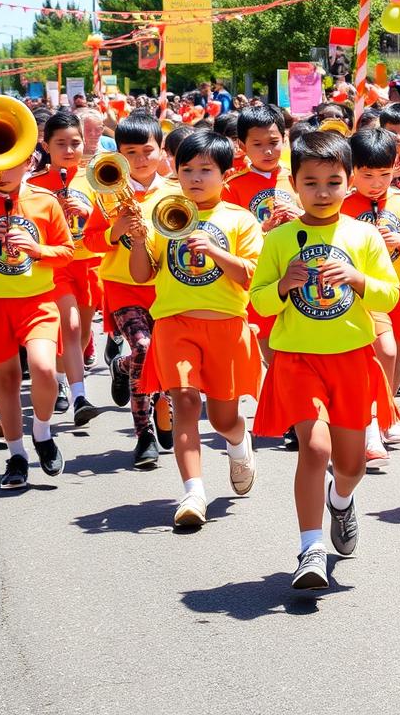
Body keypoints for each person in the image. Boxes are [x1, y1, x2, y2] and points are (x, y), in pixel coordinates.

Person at [250, 131, 399, 591]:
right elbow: (257, 303)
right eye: (310, 182)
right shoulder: (277, 241)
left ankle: (341, 499)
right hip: (298, 360)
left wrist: (357, 279)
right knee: (315, 449)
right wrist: (281, 286)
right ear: (293, 183)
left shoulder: (364, 234)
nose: (322, 191)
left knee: (351, 465)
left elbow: (389, 295)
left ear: (349, 182)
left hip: (351, 359)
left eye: (333, 181)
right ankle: (310, 547)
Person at [130, 130, 262, 527]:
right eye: (187, 169)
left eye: (206, 170)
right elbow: (141, 275)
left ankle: (239, 445)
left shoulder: (239, 219)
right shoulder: (161, 210)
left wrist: (215, 250)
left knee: (223, 420)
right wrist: (138, 240)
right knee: (183, 402)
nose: (196, 178)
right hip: (174, 324)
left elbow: (250, 277)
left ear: (226, 173)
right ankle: (193, 493)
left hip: (225, 326)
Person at [0, 114, 74, 489]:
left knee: (41, 368)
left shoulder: (46, 201)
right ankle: (17, 455)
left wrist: (38, 250)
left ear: (29, 160)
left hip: (37, 301)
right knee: (5, 381)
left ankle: (42, 431)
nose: (2, 172)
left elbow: (68, 251)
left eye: (12, 163)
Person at [83, 112, 173, 469]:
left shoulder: (176, 191)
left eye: (148, 150)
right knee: (144, 347)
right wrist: (115, 229)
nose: (140, 159)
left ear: (162, 149)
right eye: (130, 152)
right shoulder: (105, 191)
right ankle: (143, 434)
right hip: (123, 287)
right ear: (118, 154)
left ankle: (122, 366)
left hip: (165, 287)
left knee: (159, 357)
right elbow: (89, 241)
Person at [342, 127, 400, 459]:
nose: (376, 183)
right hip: (360, 293)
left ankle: (387, 408)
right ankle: (371, 423)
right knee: (380, 352)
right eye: (367, 175)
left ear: (395, 167)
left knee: (395, 357)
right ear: (352, 170)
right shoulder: (345, 204)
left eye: (383, 174)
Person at [29, 112, 101, 426]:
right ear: (46, 145)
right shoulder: (33, 185)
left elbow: (111, 227)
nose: (69, 150)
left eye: (75, 143)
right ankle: (79, 396)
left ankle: (61, 377)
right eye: (61, 143)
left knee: (82, 332)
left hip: (89, 263)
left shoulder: (97, 178)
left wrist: (89, 213)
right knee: (69, 327)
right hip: (55, 265)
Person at [222, 105, 300, 369]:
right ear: (242, 145)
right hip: (261, 278)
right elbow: (227, 233)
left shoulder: (299, 176)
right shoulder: (232, 186)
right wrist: (260, 229)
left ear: (285, 138)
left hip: (299, 273)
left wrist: (300, 214)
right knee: (274, 358)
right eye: (257, 144)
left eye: (274, 142)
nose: (268, 151)